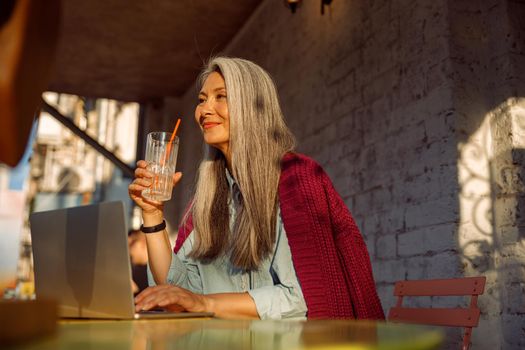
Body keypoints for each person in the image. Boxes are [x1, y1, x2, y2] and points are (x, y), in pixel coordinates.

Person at [129, 57, 384, 320]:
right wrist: (152, 214)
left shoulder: (295, 179)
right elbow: (174, 293)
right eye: (202, 99)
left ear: (252, 107)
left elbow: (301, 299)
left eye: (221, 96)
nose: (205, 109)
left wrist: (206, 303)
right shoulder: (209, 197)